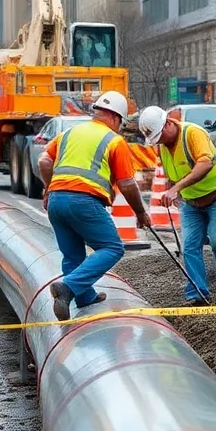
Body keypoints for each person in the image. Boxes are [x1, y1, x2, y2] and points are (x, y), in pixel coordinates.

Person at [38, 90, 150, 321]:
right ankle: (68, 288)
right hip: (83, 201)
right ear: (116, 118)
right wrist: (140, 212)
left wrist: (49, 188)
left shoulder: (69, 133)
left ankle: (82, 297)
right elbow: (127, 184)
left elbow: (44, 160)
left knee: (72, 255)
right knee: (112, 248)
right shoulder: (114, 141)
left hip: (57, 200)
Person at [138, 106, 216, 306]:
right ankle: (198, 295)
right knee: (190, 247)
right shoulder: (164, 146)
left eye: (159, 135)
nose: (158, 141)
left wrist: (177, 188)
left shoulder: (192, 133)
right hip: (191, 203)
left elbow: (205, 163)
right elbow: (171, 172)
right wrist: (173, 191)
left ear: (168, 123)